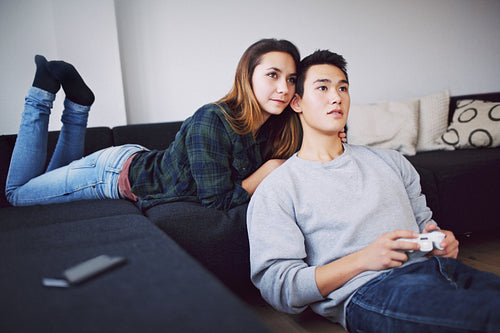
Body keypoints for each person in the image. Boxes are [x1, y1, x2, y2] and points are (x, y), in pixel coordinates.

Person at [247, 50, 500, 332]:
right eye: (322, 87)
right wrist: (363, 259)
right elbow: (279, 288)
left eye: (343, 87)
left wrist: (439, 242)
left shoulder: (392, 161)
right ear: (297, 102)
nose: (336, 97)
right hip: (371, 291)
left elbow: (424, 224)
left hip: (442, 271)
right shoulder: (278, 188)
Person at [6, 39, 347, 210]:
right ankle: (40, 97)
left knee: (49, 177)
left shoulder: (279, 124)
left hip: (138, 159)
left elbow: (315, 146)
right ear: (248, 76)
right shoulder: (211, 120)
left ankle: (78, 107)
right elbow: (217, 201)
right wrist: (269, 169)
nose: (284, 89)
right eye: (272, 76)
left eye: (290, 79)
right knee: (16, 194)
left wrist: (333, 134)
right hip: (111, 174)